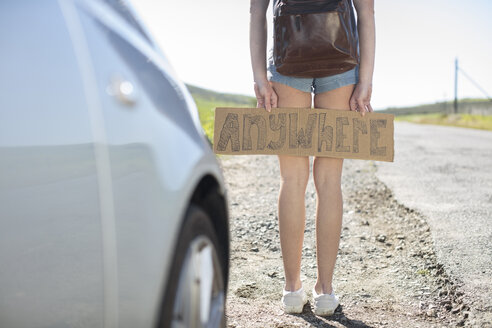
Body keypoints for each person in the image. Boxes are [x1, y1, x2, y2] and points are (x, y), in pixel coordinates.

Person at [249, 0, 376, 316]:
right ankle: (325, 291)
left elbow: (257, 11)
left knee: (292, 177)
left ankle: (293, 289)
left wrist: (259, 77)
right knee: (330, 180)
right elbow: (367, 11)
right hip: (342, 61)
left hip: (286, 58)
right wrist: (366, 79)